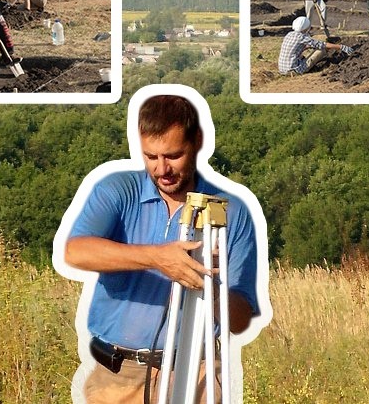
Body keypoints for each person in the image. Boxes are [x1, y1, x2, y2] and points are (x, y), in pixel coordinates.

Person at [53, 85, 271, 404]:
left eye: (173, 155)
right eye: (151, 156)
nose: (161, 169)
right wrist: (158, 258)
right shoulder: (117, 190)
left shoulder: (229, 211)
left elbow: (239, 321)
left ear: (196, 142)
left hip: (195, 371)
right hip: (117, 374)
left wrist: (204, 284)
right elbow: (75, 252)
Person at [278, 16, 354, 75]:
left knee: (303, 54)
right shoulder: (302, 37)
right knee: (321, 50)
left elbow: (297, 48)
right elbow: (322, 45)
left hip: (282, 69)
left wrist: (308, 47)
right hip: (294, 70)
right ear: (306, 28)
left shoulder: (289, 34)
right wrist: (341, 47)